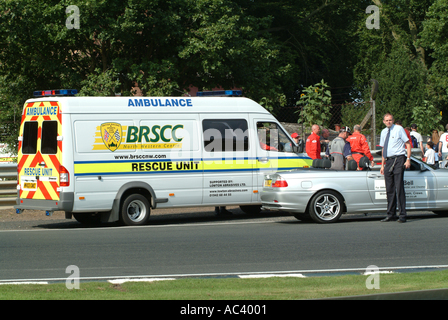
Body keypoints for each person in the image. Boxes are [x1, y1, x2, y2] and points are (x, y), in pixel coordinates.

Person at [379, 113, 411, 223]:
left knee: (399, 187)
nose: (388, 122)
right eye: (386, 120)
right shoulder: (383, 132)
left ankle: (402, 215)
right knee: (389, 189)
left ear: (393, 120)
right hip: (388, 160)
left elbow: (408, 144)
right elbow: (384, 148)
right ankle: (391, 214)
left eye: (390, 120)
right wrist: (382, 165)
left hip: (399, 158)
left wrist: (408, 159)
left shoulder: (398, 129)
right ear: (383, 121)